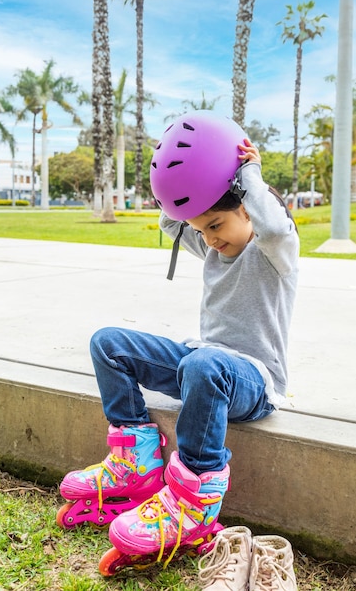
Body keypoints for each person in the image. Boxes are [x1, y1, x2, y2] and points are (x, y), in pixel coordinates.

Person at [59, 111, 300, 579]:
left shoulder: (275, 253)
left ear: (248, 208)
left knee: (204, 365)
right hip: (202, 366)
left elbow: (272, 229)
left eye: (217, 225)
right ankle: (136, 461)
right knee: (109, 343)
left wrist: (246, 171)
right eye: (204, 229)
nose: (209, 239)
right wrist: (173, 172)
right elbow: (174, 223)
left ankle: (193, 502)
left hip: (250, 379)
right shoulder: (214, 244)